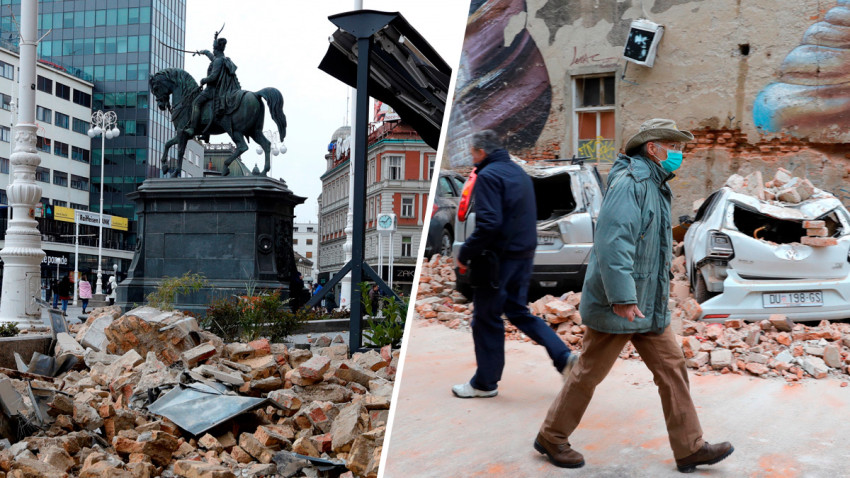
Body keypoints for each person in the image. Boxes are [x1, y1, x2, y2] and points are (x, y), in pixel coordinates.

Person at [535, 119, 733, 472]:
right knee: (589, 373)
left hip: (647, 303)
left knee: (672, 368)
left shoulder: (654, 184)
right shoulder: (631, 184)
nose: (680, 153)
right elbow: (614, 244)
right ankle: (552, 437)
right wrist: (623, 298)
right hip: (621, 302)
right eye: (674, 146)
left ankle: (690, 448)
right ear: (653, 148)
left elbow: (646, 242)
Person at [453, 130, 577, 399]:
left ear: (482, 151)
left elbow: (489, 223)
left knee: (485, 319)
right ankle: (563, 357)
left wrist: (465, 253)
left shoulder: (487, 176)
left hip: (497, 260)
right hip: (523, 255)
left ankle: (485, 384)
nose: (472, 158)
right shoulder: (519, 173)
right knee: (519, 312)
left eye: (473, 152)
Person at [185, 35, 241, 137]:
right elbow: (210, 55)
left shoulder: (218, 61)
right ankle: (205, 131)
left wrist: (203, 80)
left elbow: (213, 77)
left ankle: (193, 129)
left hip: (212, 90)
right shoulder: (220, 58)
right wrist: (202, 52)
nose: (213, 51)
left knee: (196, 103)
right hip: (215, 89)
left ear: (217, 49)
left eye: (214, 48)